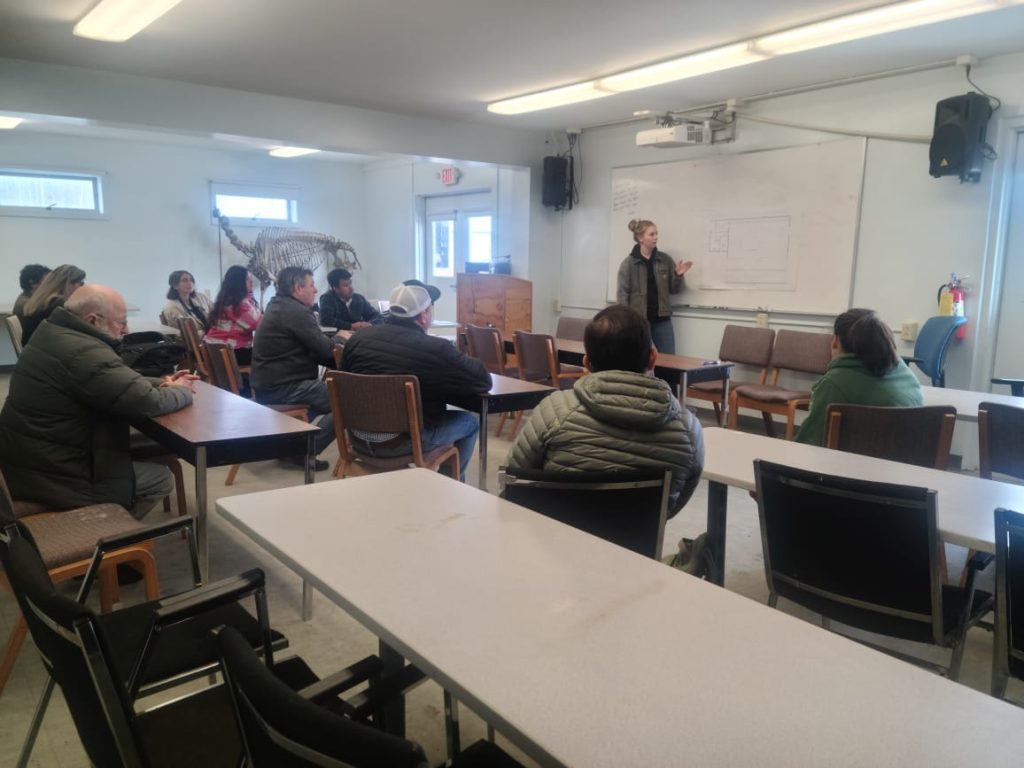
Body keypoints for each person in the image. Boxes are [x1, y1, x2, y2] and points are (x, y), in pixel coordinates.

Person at [0, 284, 197, 518]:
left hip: (31, 463)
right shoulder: (84, 352)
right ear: (93, 320)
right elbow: (148, 403)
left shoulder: (53, 332)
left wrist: (163, 382)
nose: (126, 330)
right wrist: (182, 390)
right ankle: (110, 536)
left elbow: (118, 381)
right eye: (121, 322)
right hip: (57, 477)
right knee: (160, 479)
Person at [507, 305, 704, 515]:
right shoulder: (689, 430)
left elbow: (513, 479)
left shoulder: (555, 411)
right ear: (653, 357)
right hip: (635, 544)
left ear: (587, 363)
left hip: (555, 539)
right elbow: (671, 507)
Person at [340, 281, 490, 481]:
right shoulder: (435, 349)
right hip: (401, 443)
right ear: (424, 315)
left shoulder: (357, 340)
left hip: (357, 438)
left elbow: (344, 382)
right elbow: (482, 380)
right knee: (469, 422)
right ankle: (449, 486)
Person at [251, 266, 343, 471]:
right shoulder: (296, 312)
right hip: (284, 386)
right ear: (297, 288)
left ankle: (290, 447)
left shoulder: (278, 305)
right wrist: (341, 339)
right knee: (347, 401)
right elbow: (326, 350)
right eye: (312, 285)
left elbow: (314, 346)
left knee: (327, 395)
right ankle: (302, 450)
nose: (316, 290)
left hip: (268, 384)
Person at [795, 307, 923, 446]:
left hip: (848, 465)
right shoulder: (906, 373)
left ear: (835, 341)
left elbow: (809, 441)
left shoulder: (834, 383)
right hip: (905, 464)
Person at [616, 218, 692, 355]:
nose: (656, 237)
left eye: (656, 234)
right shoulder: (628, 264)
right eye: (651, 234)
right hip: (638, 322)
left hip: (662, 319)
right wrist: (625, 322)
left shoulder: (665, 260)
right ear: (640, 238)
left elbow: (675, 290)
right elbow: (622, 295)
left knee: (669, 360)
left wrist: (679, 276)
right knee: (641, 359)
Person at [204, 265, 262, 365]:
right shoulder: (238, 303)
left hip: (215, 350)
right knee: (272, 356)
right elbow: (259, 324)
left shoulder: (228, 299)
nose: (251, 282)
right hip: (228, 352)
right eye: (247, 279)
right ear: (238, 282)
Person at [19, 263, 86, 345]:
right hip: (47, 352)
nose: (83, 287)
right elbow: (83, 329)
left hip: (37, 351)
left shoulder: (43, 300)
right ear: (68, 283)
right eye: (81, 283)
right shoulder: (58, 303)